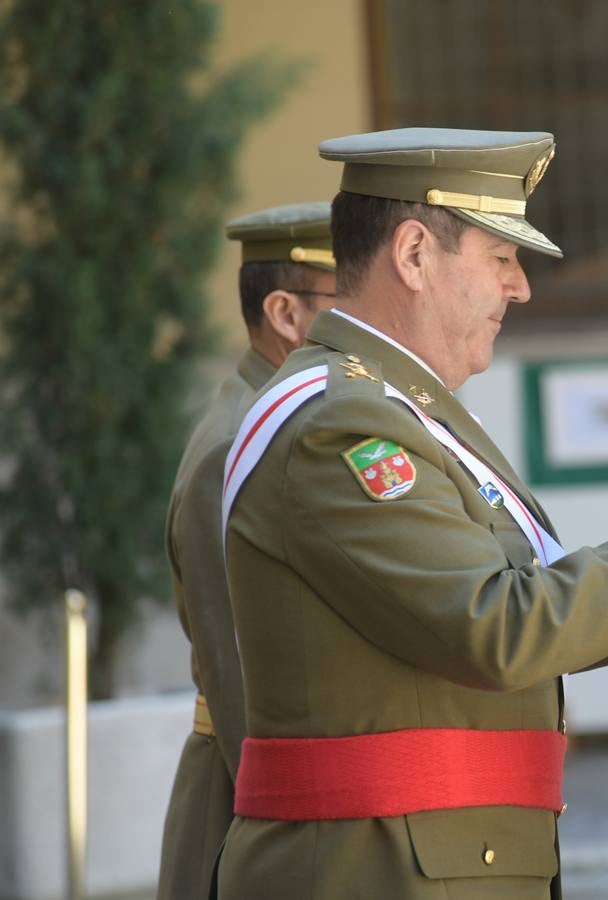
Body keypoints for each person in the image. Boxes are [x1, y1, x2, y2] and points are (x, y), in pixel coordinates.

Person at [213, 128, 608, 900]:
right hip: (379, 870)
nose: (521, 289)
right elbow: (493, 626)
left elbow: (518, 587)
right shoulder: (343, 424)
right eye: (502, 259)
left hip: (429, 859)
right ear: (412, 255)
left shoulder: (395, 406)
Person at [156, 202, 336, 900]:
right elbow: (239, 672)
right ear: (288, 316)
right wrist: (293, 827)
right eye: (346, 300)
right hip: (247, 815)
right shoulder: (238, 445)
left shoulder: (284, 418)